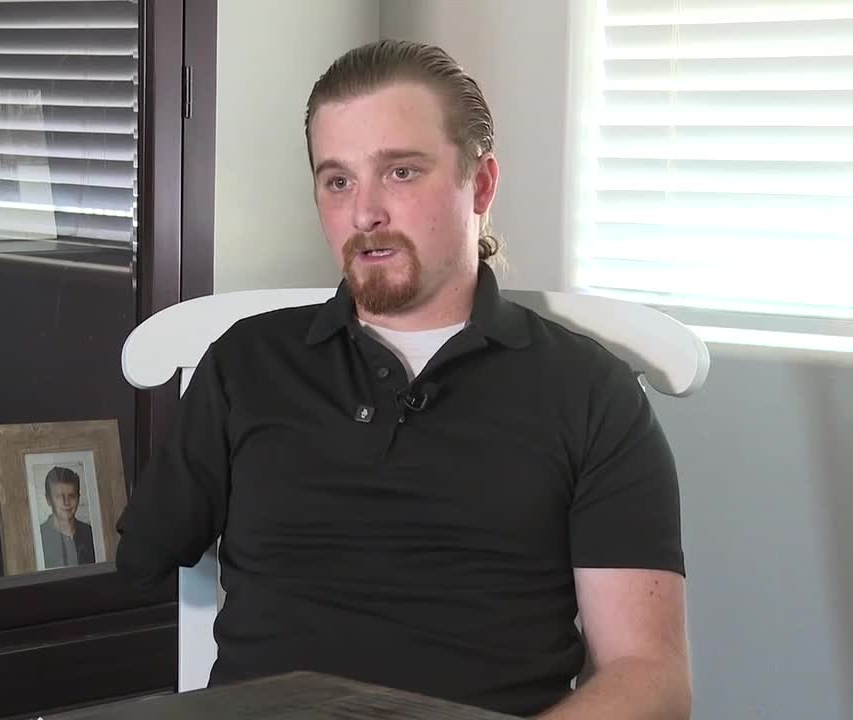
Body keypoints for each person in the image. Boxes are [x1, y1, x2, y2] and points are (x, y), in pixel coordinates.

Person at [114, 39, 692, 719]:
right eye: (337, 181)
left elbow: (649, 677)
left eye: (401, 172)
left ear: (480, 184)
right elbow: (144, 557)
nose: (364, 213)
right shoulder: (248, 363)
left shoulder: (588, 393)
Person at [40, 465, 96, 569]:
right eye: (59, 497)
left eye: (72, 496)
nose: (66, 503)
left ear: (78, 498)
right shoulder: (39, 538)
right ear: (48, 499)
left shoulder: (91, 534)